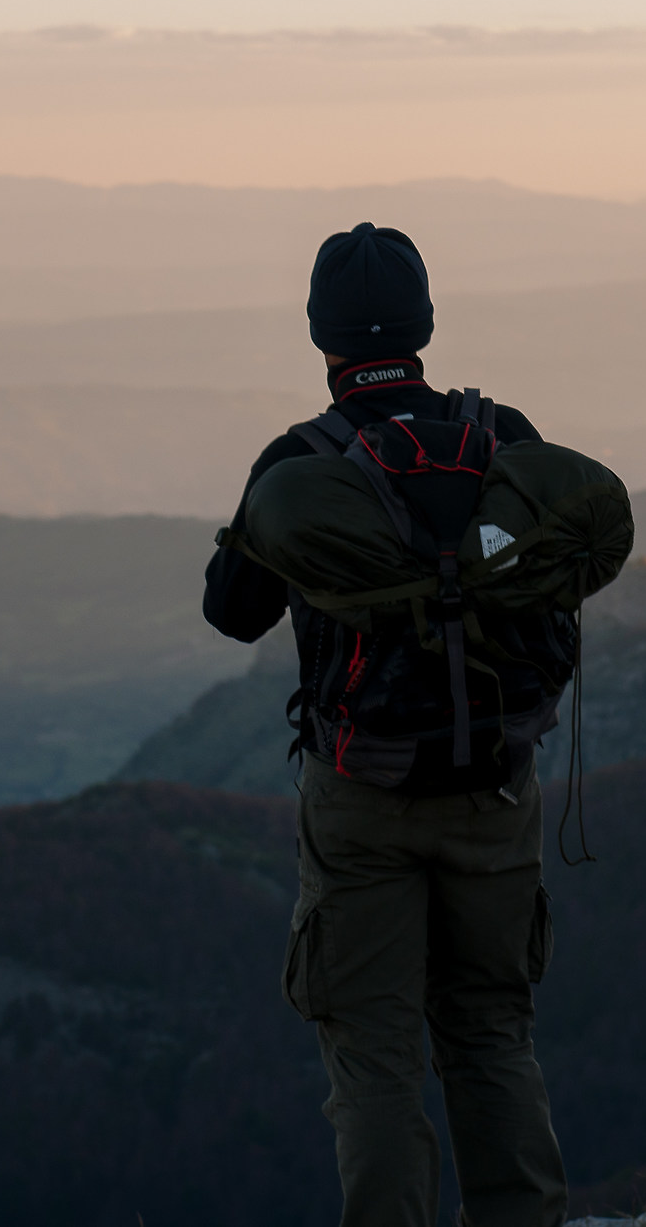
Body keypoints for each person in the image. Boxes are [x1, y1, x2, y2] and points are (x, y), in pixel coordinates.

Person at [203, 223, 570, 1227]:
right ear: (425, 328)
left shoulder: (300, 461)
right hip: (495, 784)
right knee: (493, 1033)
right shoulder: (503, 436)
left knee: (373, 1055)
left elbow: (231, 610)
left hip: (360, 795)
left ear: (322, 337)